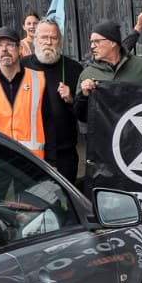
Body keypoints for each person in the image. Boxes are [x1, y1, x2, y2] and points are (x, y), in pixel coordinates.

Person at [0, 27, 50, 159]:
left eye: (9, 44)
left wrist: (52, 161)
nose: (4, 49)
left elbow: (49, 122)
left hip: (32, 160)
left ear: (20, 49)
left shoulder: (38, 80)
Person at [22, 19, 84, 182]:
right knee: (33, 203)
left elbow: (84, 113)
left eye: (53, 38)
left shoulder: (73, 68)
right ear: (35, 39)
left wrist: (71, 99)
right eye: (43, 37)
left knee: (64, 203)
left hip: (64, 152)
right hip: (30, 153)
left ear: (60, 41)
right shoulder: (21, 67)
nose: (48, 42)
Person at [75, 20, 142, 123]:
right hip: (106, 137)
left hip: (139, 134)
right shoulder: (86, 74)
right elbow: (81, 117)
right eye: (91, 42)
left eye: (97, 41)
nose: (92, 46)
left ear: (112, 42)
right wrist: (83, 96)